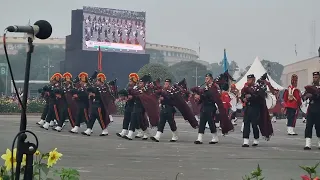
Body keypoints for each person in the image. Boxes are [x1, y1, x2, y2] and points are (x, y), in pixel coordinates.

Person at [193, 73, 220, 144]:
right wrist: (198, 97)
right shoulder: (205, 87)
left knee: (211, 122)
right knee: (202, 122)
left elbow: (212, 95)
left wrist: (202, 94)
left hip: (211, 106)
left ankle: (215, 137)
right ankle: (199, 138)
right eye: (205, 78)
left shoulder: (214, 86)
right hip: (204, 106)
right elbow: (203, 96)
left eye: (207, 78)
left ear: (211, 79)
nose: (206, 80)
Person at [116, 73, 139, 138]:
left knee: (133, 120)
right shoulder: (128, 87)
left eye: (131, 81)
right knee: (126, 118)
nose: (129, 82)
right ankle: (123, 131)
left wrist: (132, 97)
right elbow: (126, 95)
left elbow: (138, 96)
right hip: (128, 105)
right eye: (129, 81)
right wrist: (122, 98)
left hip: (134, 105)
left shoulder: (137, 88)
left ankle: (131, 133)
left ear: (134, 82)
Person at [240, 74, 261, 147]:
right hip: (247, 108)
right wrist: (243, 99)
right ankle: (245, 141)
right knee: (246, 124)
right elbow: (242, 95)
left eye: (249, 80)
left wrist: (250, 97)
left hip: (255, 108)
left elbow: (258, 97)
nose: (248, 81)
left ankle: (256, 139)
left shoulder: (257, 87)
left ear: (253, 80)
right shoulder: (245, 88)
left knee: (254, 125)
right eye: (247, 80)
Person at [302, 71, 320, 150]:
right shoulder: (310, 87)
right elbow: (304, 96)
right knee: (308, 126)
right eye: (313, 77)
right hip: (311, 109)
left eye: (316, 77)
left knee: (318, 127)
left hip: (319, 109)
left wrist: (313, 95)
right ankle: (307, 144)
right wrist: (304, 96)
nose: (314, 79)